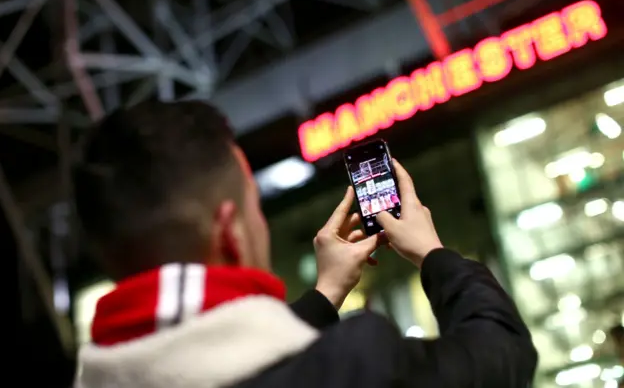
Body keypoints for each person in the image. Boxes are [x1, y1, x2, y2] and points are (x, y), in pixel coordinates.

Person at [74, 101, 537, 388]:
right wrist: (432, 252)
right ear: (231, 233)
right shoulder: (357, 366)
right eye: (253, 205)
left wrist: (324, 295)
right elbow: (502, 351)